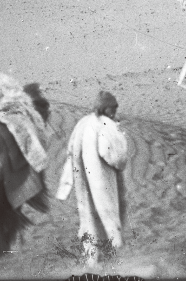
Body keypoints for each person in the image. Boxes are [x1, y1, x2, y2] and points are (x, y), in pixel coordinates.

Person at [56, 91, 127, 267]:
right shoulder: (105, 124)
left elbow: (70, 151)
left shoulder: (82, 123)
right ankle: (107, 261)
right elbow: (112, 154)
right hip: (101, 180)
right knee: (107, 214)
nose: (115, 111)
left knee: (88, 216)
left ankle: (92, 259)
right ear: (105, 108)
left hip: (82, 179)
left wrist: (67, 182)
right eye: (113, 107)